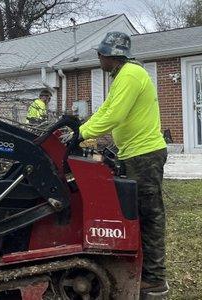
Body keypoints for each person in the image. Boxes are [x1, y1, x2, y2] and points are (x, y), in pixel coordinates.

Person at [78, 32, 169, 298]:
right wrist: (80, 128)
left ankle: (154, 278)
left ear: (110, 55)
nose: (98, 59)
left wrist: (81, 134)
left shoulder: (130, 74)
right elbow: (107, 109)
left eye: (100, 54)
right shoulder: (122, 77)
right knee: (134, 213)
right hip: (132, 153)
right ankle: (139, 269)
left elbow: (114, 116)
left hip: (145, 155)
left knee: (149, 214)